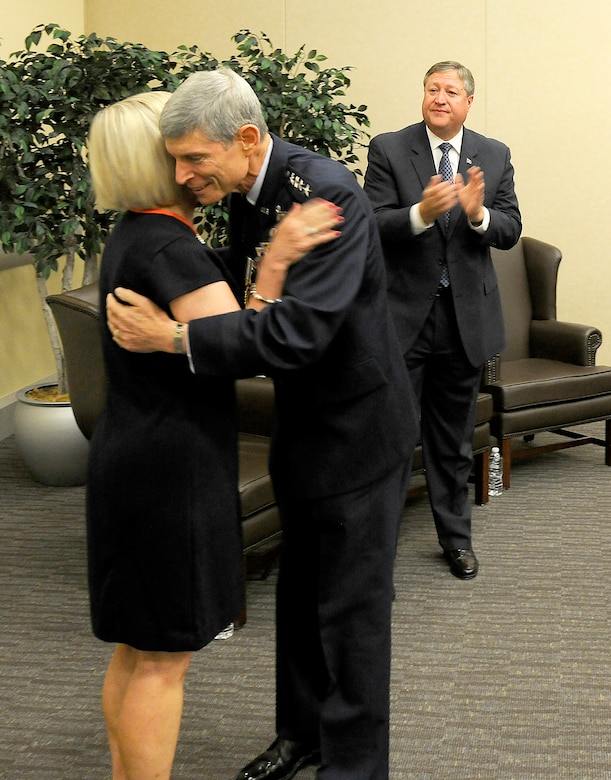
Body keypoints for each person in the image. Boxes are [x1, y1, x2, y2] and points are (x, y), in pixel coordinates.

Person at [105, 69, 418, 780]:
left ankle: (353, 766)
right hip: (303, 429)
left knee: (352, 612)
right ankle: (300, 734)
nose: (182, 177)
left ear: (246, 139)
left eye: (193, 160)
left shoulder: (325, 195)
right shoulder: (254, 189)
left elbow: (295, 335)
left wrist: (174, 339)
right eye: (175, 160)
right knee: (301, 596)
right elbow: (249, 282)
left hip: (357, 435)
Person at [86, 91, 340, 780]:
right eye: (184, 152)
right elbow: (245, 346)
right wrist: (278, 263)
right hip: (172, 472)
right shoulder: (169, 246)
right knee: (163, 660)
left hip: (132, 457)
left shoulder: (139, 234)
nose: (195, 164)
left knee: (137, 649)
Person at [363, 60, 522, 580]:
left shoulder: (494, 155)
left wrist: (477, 216)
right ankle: (375, 559)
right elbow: (373, 222)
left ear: (468, 102)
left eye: (451, 91)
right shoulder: (389, 148)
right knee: (390, 441)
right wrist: (420, 214)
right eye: (432, 89)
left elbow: (510, 228)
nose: (440, 97)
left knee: (453, 442)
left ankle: (456, 541)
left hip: (463, 321)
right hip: (404, 319)